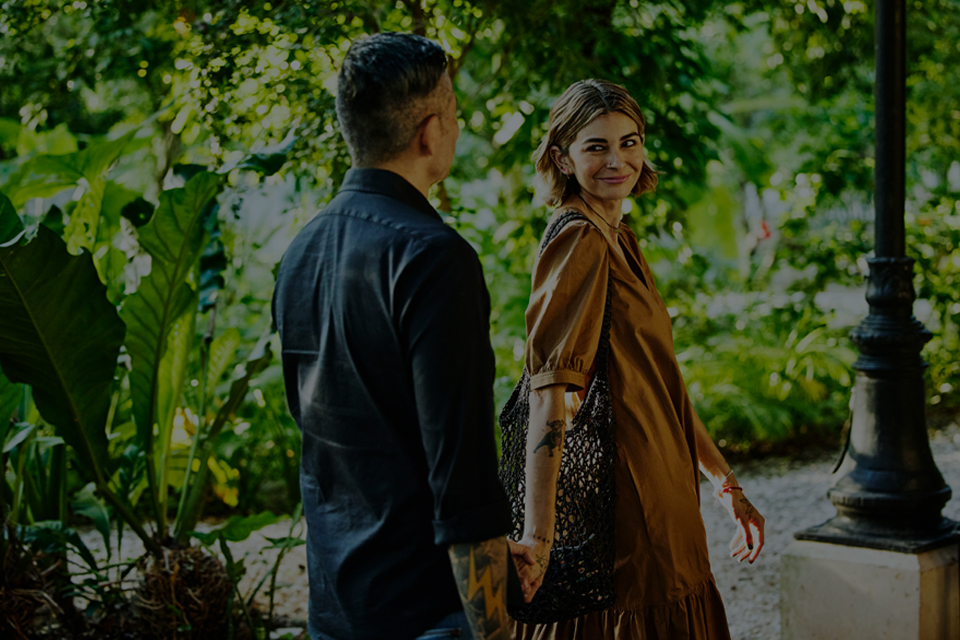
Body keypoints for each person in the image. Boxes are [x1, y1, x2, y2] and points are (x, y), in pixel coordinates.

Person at [272, 32, 529, 640]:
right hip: (428, 611)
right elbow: (461, 475)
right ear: (430, 132)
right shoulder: (434, 258)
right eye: (456, 116)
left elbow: (323, 443)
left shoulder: (300, 252)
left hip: (337, 607)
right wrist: (494, 626)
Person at [508, 79, 766, 639]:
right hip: (622, 496)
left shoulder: (618, 236)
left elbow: (662, 383)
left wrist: (728, 486)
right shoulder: (580, 241)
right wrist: (539, 538)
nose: (617, 160)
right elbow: (549, 390)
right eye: (595, 146)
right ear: (562, 157)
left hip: (662, 480)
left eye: (629, 142)